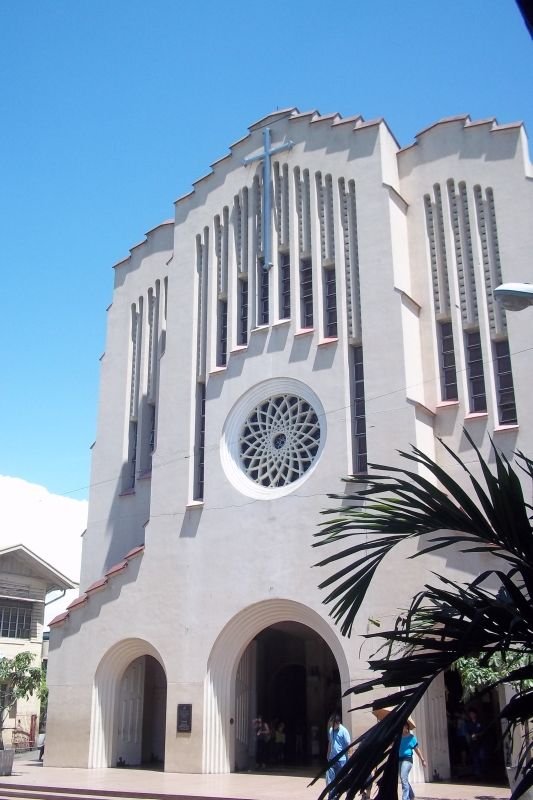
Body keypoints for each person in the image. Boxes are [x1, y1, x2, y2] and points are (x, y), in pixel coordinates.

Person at [326, 713, 351, 800]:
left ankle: (349, 795)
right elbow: (330, 742)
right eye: (331, 723)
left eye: (334, 723)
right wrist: (328, 754)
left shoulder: (344, 731)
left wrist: (347, 756)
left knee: (344, 778)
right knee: (330, 778)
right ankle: (332, 796)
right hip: (332, 759)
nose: (332, 725)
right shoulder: (331, 730)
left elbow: (348, 744)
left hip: (342, 760)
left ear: (338, 722)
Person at [399, 723, 426, 800]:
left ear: (407, 727)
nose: (402, 728)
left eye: (403, 726)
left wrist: (422, 760)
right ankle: (411, 795)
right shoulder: (398, 737)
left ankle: (405, 798)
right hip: (399, 759)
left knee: (403, 777)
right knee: (404, 779)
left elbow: (417, 749)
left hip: (407, 759)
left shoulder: (411, 738)